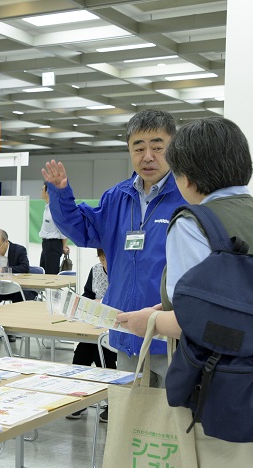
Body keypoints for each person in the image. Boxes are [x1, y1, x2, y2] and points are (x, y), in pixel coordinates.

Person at [115, 117, 253, 468]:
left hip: (229, 396)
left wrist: (149, 321)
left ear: (186, 176)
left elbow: (194, 323)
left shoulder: (193, 224)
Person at [42, 109, 186, 387]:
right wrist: (60, 194)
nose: (148, 156)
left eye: (158, 147)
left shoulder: (187, 196)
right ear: (129, 151)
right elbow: (82, 230)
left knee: (173, 424)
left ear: (173, 148)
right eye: (139, 147)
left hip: (172, 339)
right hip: (126, 333)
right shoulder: (117, 197)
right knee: (130, 423)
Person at [66, 248, 117, 422]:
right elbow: (87, 295)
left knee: (106, 356)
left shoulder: (123, 271)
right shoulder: (95, 270)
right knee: (81, 355)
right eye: (102, 260)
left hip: (115, 327)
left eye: (107, 259)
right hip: (95, 325)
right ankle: (79, 400)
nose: (105, 264)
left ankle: (114, 404)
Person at [0, 229, 36, 302]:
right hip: (0, 287)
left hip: (17, 288)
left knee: (18, 295)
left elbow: (24, 268)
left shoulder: (19, 250)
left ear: (6, 242)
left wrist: (3, 270)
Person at [39, 182, 69, 274]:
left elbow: (63, 229)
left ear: (48, 193)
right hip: (46, 244)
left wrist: (63, 246)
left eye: (42, 190)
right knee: (43, 271)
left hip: (53, 244)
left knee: (51, 275)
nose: (40, 192)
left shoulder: (56, 209)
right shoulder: (47, 208)